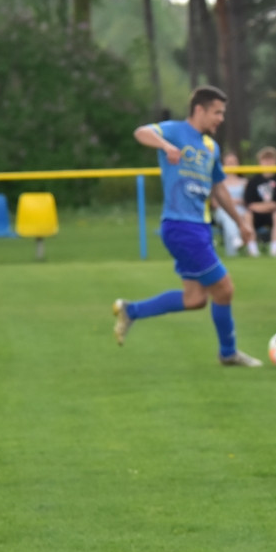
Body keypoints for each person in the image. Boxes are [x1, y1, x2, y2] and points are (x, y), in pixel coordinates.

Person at [112, 86, 262, 367]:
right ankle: (228, 353)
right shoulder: (175, 131)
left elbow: (218, 188)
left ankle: (130, 310)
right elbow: (141, 132)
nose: (220, 119)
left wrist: (241, 222)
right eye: (217, 112)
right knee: (225, 289)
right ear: (200, 110)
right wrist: (166, 146)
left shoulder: (210, 147)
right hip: (181, 226)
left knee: (195, 299)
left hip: (199, 227)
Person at [242, 146, 276, 258]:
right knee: (247, 216)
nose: (268, 162)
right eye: (265, 159)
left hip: (273, 213)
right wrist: (267, 206)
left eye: (271, 159)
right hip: (257, 214)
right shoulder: (254, 180)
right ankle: (253, 249)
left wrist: (267, 206)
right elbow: (250, 203)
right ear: (260, 161)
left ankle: (274, 250)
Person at [212, 152, 248, 256]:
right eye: (229, 162)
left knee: (246, 216)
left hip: (242, 210)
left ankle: (250, 250)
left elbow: (249, 201)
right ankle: (235, 239)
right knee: (228, 216)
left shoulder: (244, 182)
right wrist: (228, 204)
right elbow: (214, 203)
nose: (231, 164)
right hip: (223, 211)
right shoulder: (219, 183)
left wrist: (238, 202)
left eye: (234, 162)